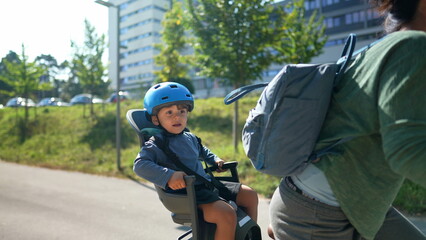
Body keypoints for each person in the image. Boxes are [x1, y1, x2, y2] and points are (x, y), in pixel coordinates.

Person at [269, 0, 426, 239]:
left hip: (350, 203)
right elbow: (407, 150)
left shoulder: (383, 47)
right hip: (318, 213)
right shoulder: (413, 46)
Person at [133, 82, 258, 240]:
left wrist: (214, 160)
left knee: (250, 195)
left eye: (182, 111)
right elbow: (140, 165)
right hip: (188, 194)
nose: (177, 116)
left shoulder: (189, 136)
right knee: (226, 214)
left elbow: (202, 150)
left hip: (207, 185)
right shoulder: (157, 144)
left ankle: (248, 235)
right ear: (156, 120)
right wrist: (169, 176)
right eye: (169, 113)